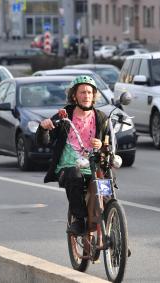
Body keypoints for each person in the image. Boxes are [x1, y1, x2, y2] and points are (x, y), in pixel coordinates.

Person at [36, 75, 108, 235]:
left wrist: (101, 144)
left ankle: (114, 231)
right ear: (74, 95)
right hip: (68, 167)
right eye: (82, 92)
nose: (86, 96)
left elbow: (108, 144)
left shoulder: (101, 117)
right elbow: (43, 141)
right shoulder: (64, 116)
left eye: (90, 92)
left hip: (93, 166)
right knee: (74, 176)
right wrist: (44, 128)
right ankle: (79, 220)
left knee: (106, 188)